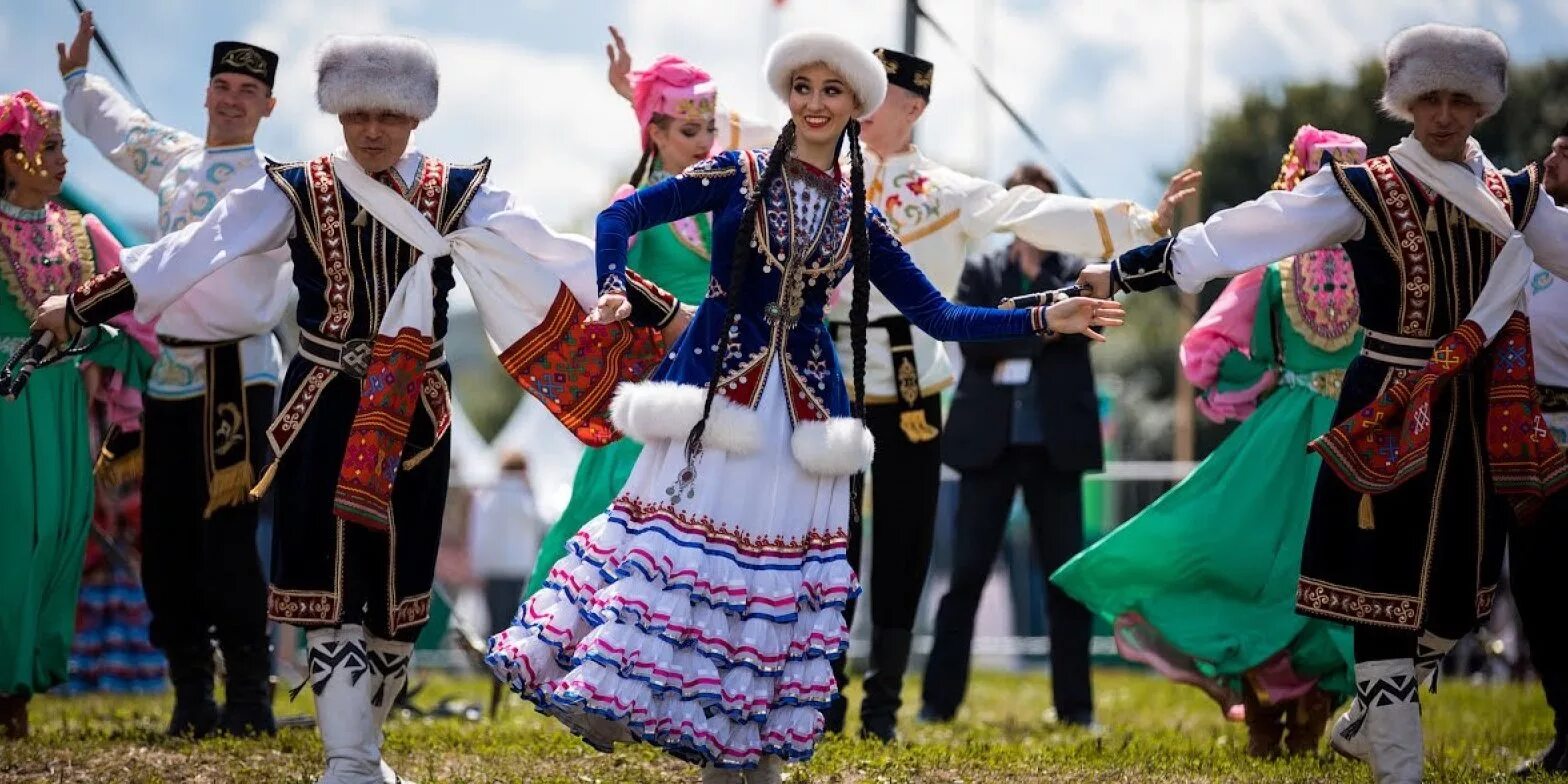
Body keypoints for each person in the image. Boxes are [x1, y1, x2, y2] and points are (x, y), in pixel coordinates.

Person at [34, 33, 688, 783]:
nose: (371, 130)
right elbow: (196, 246)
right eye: (355, 116)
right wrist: (85, 303)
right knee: (326, 579)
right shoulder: (298, 188)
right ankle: (345, 758)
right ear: (337, 116)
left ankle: (365, 754)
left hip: (418, 413)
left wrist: (669, 311)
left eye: (386, 115)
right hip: (322, 406)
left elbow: (551, 251)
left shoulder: (455, 190)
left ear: (414, 119)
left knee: (400, 583)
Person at [485, 29, 1125, 784]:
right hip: (717, 398)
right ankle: (671, 719)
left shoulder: (859, 214)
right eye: (803, 88)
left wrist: (1046, 317)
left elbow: (943, 317)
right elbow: (618, 219)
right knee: (685, 565)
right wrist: (617, 286)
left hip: (804, 414)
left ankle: (746, 754)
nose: (815, 103)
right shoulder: (737, 170)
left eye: (832, 91)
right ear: (787, 96)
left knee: (774, 586)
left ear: (856, 106)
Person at [1078, 25, 1568, 784]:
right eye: (1428, 98)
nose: (1443, 115)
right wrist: (1128, 269)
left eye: (1460, 100)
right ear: (1404, 102)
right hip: (1389, 409)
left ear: (1483, 105)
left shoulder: (1516, 195)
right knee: (1380, 592)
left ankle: (1372, 716)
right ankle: (1398, 764)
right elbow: (1251, 231)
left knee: (1448, 613)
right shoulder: (1366, 188)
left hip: (1475, 422)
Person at [822, 46, 1200, 743]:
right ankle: (820, 700)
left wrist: (1136, 223)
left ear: (914, 108)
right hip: (822, 376)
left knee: (904, 544)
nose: (860, 109)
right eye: (857, 94)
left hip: (909, 381)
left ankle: (880, 709)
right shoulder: (815, 168)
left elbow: (1026, 209)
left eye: (878, 97)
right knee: (823, 542)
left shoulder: (939, 189)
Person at [1055, 127, 1367, 757]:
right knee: (1323, 562)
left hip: (1294, 430)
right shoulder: (1381, 260)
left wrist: (1267, 383)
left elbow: (1209, 354)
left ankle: (1280, 706)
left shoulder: (1274, 265)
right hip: (1356, 426)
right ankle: (1300, 707)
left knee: (1254, 559)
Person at [56, 10, 293, 738]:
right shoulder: (176, 159)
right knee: (167, 540)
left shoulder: (279, 187)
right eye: (221, 85)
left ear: (268, 106)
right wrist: (76, 77)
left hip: (240, 373)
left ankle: (249, 694)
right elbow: (119, 126)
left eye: (246, 91)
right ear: (205, 92)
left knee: (228, 538)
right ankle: (192, 691)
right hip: (169, 373)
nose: (230, 99)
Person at [526, 53, 726, 598]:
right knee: (618, 505)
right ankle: (571, 633)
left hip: (723, 374)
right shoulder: (634, 203)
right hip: (656, 377)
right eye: (690, 129)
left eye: (710, 127)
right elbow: (598, 280)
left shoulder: (728, 198)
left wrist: (635, 88)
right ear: (654, 133)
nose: (705, 140)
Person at [916, 162, 1103, 729]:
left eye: (1043, 206)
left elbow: (1082, 330)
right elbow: (972, 343)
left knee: (1065, 580)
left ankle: (1076, 710)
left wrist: (1013, 329)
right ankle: (936, 705)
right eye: (1023, 205)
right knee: (965, 575)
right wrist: (1047, 328)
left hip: (1055, 446)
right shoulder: (980, 271)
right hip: (987, 446)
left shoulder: (1080, 275)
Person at [0, 89, 155, 738]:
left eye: (63, 146)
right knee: (16, 534)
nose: (63, 158)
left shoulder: (83, 235)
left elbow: (135, 317)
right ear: (10, 158)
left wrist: (93, 343)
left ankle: (22, 684)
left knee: (62, 533)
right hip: (8, 407)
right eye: (50, 146)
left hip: (63, 403)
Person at [1510, 122, 1568, 778]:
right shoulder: (1527, 235)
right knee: (1536, 590)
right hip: (1526, 441)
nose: (1551, 156)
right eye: (1550, 145)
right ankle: (1565, 730)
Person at [469, 452, 544, 633]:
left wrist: (477, 565)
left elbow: (477, 534)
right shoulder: (525, 496)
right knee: (512, 621)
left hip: (491, 567)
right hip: (518, 568)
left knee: (494, 622)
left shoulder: (487, 495)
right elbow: (540, 524)